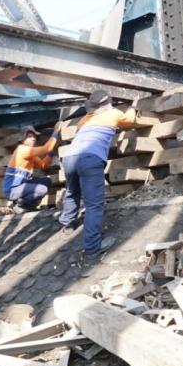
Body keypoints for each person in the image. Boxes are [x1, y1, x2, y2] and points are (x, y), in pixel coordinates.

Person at [58, 90, 139, 260]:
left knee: (73, 191)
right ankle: (92, 247)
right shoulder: (114, 113)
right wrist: (133, 107)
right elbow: (130, 120)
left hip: (70, 158)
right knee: (94, 205)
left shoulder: (85, 119)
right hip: (90, 158)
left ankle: (67, 224)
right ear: (108, 103)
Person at [3, 124, 61, 214]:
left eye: (34, 136)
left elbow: (43, 165)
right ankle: (20, 205)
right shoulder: (23, 149)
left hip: (21, 187)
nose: (33, 138)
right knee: (42, 189)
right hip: (12, 190)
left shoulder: (29, 153)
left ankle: (27, 205)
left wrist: (51, 153)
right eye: (29, 136)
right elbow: (47, 148)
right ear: (23, 140)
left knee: (46, 181)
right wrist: (56, 132)